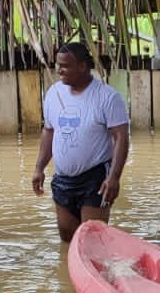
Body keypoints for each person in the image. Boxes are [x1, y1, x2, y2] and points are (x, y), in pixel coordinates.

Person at [32, 42, 130, 242]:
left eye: (65, 66)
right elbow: (49, 132)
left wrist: (114, 177)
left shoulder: (107, 97)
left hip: (95, 177)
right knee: (67, 239)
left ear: (83, 66)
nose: (59, 70)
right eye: (58, 65)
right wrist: (39, 168)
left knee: (92, 239)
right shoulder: (53, 93)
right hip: (62, 178)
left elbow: (121, 137)